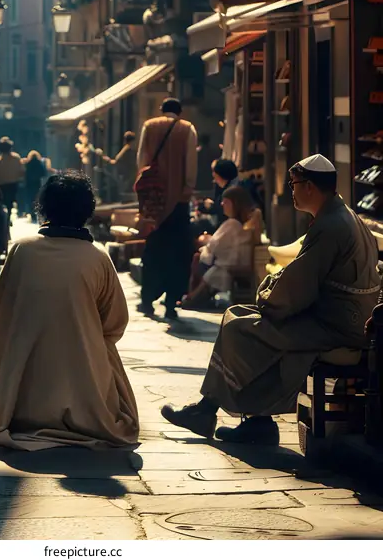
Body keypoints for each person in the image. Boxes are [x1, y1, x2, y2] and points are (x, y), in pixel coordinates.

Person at [161, 154, 381, 445]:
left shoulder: (331, 225)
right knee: (244, 318)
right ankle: (245, 418)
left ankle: (223, 414)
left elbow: (297, 285)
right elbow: (302, 277)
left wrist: (267, 294)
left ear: (310, 187)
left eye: (294, 184)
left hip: (334, 324)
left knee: (239, 326)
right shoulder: (338, 217)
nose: (291, 190)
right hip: (337, 316)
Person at [0, 171, 139, 450]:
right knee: (101, 346)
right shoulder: (98, 257)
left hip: (20, 402)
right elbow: (114, 325)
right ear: (86, 211)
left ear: (45, 207)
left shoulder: (21, 250)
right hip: (86, 399)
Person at [137, 98, 198, 320]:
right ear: (180, 112)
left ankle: (147, 300)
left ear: (161, 110)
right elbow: (191, 162)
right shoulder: (187, 129)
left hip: (155, 201)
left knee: (153, 251)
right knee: (178, 252)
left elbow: (142, 159)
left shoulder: (149, 126)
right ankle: (171, 303)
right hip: (178, 201)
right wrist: (187, 188)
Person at [183, 185, 256, 307]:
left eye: (226, 202)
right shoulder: (235, 224)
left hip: (228, 264)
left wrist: (204, 241)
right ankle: (193, 295)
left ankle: (193, 296)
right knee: (198, 257)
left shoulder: (232, 224)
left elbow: (215, 245)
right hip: (229, 261)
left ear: (235, 204)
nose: (222, 204)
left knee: (197, 258)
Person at [0, 137, 24, 218]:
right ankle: (8, 217)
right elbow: (22, 171)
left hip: (1, 185)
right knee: (10, 203)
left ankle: (3, 218)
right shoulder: (16, 158)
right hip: (13, 184)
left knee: (2, 203)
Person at [112, 131, 138, 200]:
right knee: (128, 190)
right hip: (129, 173)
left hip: (131, 172)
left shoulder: (129, 148)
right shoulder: (128, 148)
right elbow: (118, 159)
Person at [23, 150, 47, 218]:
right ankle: (36, 211)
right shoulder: (39, 163)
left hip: (29, 183)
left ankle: (31, 212)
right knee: (37, 197)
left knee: (30, 198)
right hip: (37, 183)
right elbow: (43, 173)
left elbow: (24, 173)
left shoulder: (28, 163)